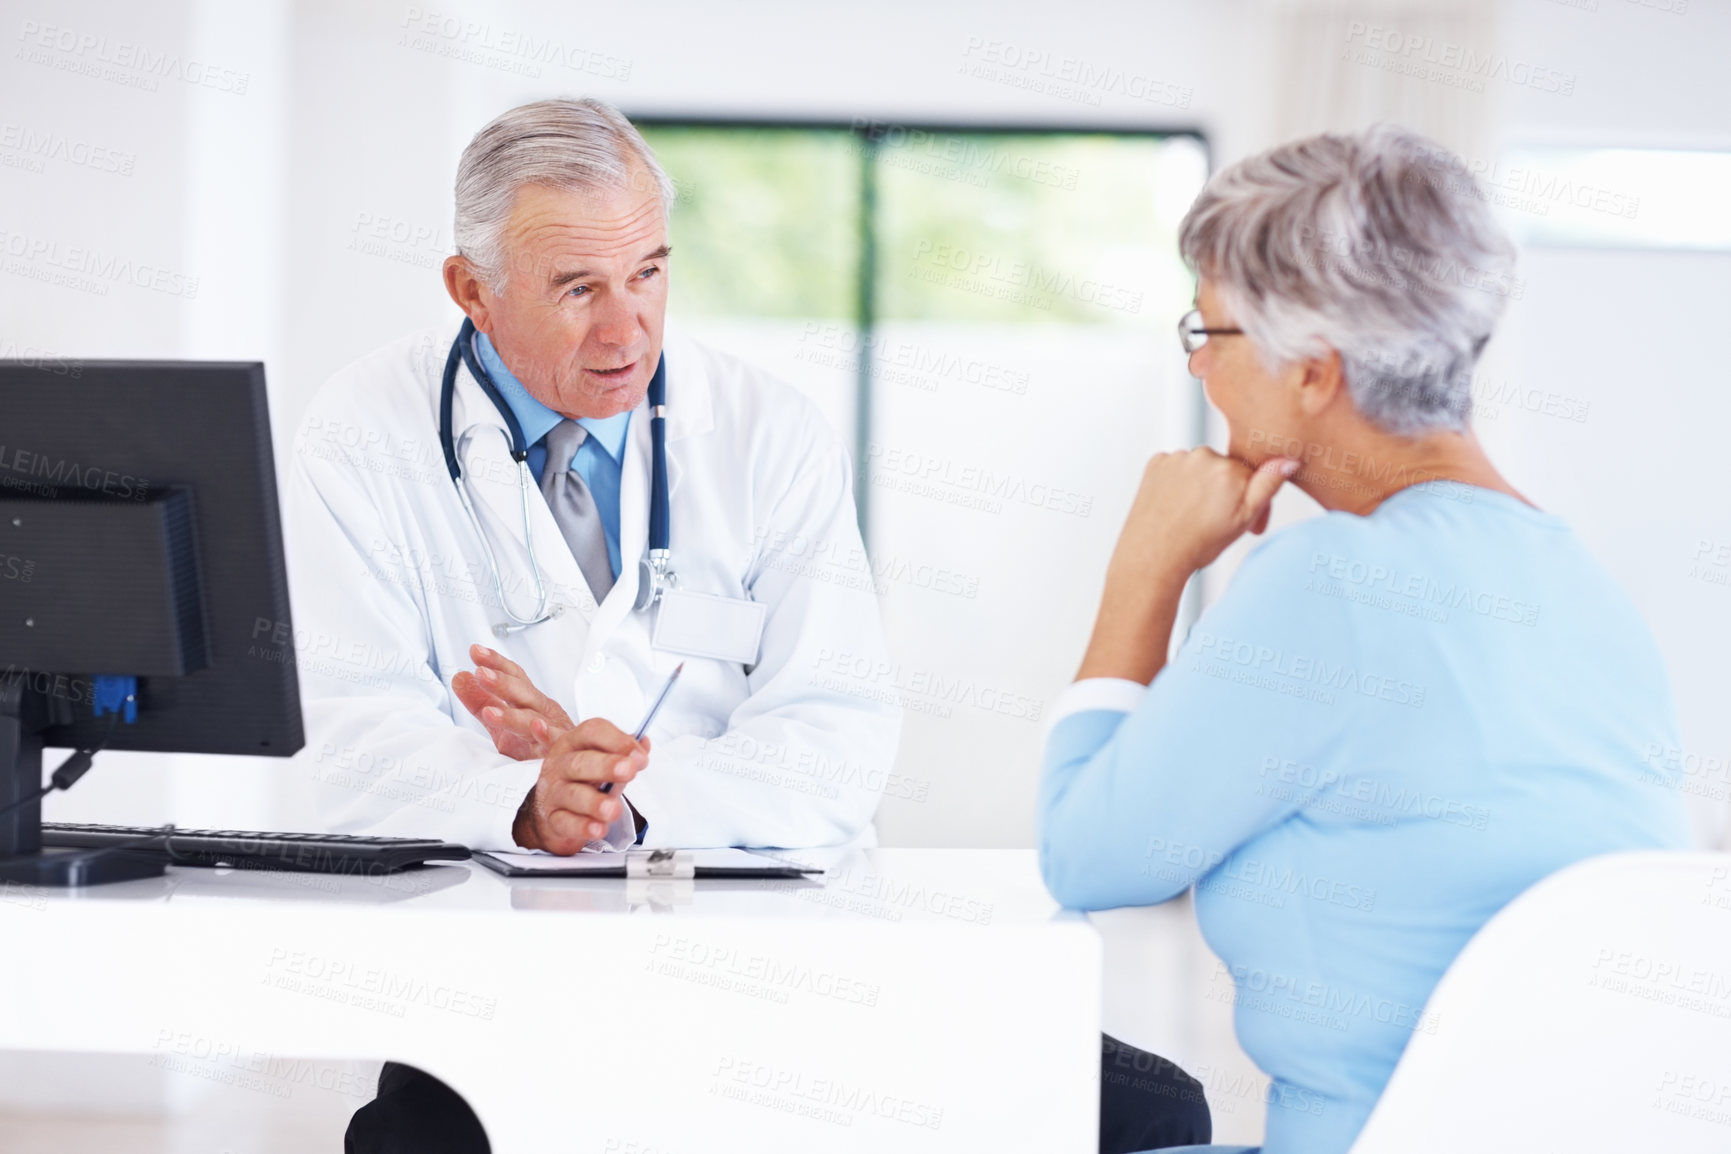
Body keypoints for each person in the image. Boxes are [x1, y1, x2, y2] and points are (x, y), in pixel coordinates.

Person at [1037, 124, 1690, 1154]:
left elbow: (1087, 856)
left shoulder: (1331, 580)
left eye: (1213, 333)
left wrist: (1146, 567)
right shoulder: (1586, 586)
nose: (1201, 368)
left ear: (1313, 370)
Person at [288, 98, 898, 856]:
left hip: (736, 919)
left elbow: (836, 739)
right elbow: (348, 742)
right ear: (473, 291)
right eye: (578, 289)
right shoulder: (362, 430)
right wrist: (525, 804)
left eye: (645, 273)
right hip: (472, 928)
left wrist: (615, 797)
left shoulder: (771, 434)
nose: (624, 330)